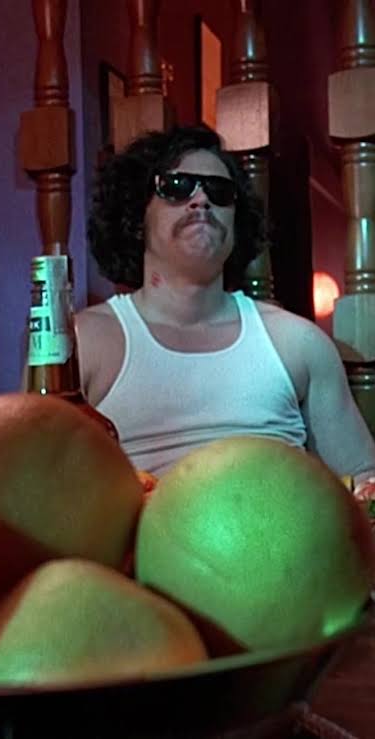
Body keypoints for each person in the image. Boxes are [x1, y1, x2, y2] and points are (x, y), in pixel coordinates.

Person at [76, 125, 375, 495]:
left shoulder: (297, 343)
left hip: (279, 527)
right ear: (137, 218)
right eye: (177, 187)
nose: (201, 200)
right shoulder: (85, 343)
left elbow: (364, 481)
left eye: (219, 192)